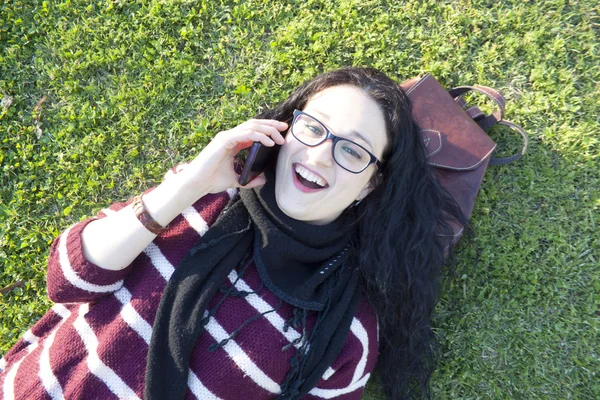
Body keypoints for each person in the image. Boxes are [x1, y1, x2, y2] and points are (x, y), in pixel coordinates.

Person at [0, 67, 467, 400]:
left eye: (352, 151)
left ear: (372, 183)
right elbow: (67, 280)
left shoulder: (347, 331)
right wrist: (189, 182)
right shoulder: (199, 201)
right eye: (313, 128)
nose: (320, 156)